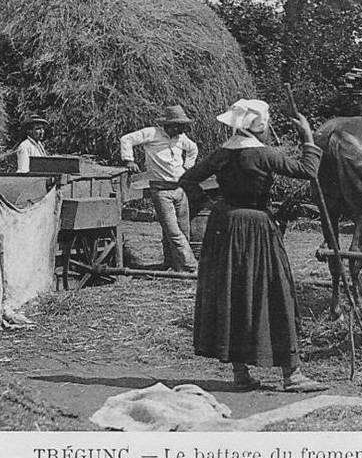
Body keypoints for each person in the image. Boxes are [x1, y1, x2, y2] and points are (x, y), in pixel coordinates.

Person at [179, 98, 327, 393]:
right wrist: (308, 136)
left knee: (233, 293)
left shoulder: (222, 154)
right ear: (258, 125)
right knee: (275, 291)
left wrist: (213, 204)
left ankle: (241, 373)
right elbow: (309, 170)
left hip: (225, 226)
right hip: (256, 228)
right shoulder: (262, 155)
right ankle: (292, 375)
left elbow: (187, 179)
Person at [120, 106, 199, 272]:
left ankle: (174, 265)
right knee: (173, 231)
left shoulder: (181, 138)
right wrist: (129, 160)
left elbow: (193, 149)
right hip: (161, 190)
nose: (180, 129)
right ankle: (192, 267)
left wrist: (188, 166)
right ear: (167, 125)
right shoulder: (152, 133)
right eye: (177, 125)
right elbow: (126, 139)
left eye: (182, 125)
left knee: (184, 231)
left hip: (179, 189)